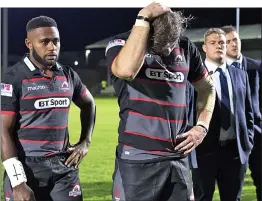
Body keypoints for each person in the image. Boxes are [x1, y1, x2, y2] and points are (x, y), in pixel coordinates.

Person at [105, 2, 216, 201]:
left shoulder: (185, 47)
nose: (166, 50)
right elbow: (126, 71)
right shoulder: (120, 43)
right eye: (160, 44)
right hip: (137, 159)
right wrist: (143, 17)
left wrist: (201, 127)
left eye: (171, 43)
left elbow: (207, 88)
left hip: (177, 158)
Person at [1, 16, 96, 201]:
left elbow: (89, 103)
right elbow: (3, 131)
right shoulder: (14, 78)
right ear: (29, 43)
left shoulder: (68, 75)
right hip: (28, 168)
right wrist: (18, 182)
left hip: (64, 166)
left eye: (56, 41)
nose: (52, 47)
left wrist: (86, 141)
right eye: (44, 42)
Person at [192, 28, 254, 201]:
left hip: (235, 152)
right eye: (213, 43)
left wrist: (247, 142)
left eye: (222, 43)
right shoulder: (194, 76)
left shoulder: (240, 75)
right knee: (202, 197)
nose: (219, 46)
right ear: (204, 47)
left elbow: (248, 112)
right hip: (204, 152)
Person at [221, 25, 262, 201]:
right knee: (233, 188)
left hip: (259, 135)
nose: (233, 44)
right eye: (228, 41)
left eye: (235, 39)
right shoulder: (218, 71)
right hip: (233, 139)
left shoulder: (257, 67)